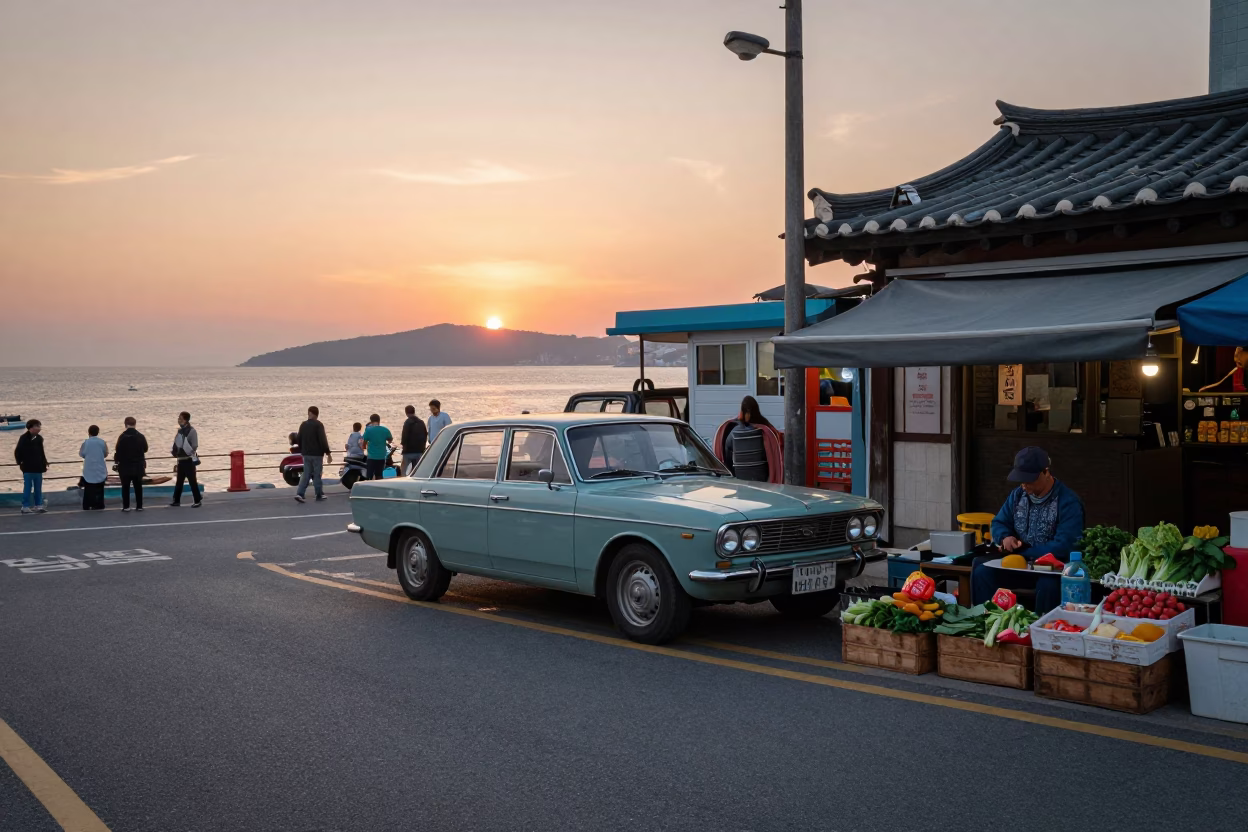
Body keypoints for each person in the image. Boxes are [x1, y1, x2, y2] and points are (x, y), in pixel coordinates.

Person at [971, 446, 1085, 613]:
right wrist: (1005, 538)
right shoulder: (1017, 495)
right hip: (1019, 565)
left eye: (1030, 480)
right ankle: (985, 623)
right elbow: (999, 522)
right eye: (1021, 480)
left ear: (1046, 472)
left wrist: (1026, 552)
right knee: (982, 571)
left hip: (1052, 570)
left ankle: (1041, 631)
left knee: (1049, 586)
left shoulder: (1068, 502)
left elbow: (1065, 545)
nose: (1024, 485)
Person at [713, 397, 783, 483]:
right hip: (757, 479)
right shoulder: (765, 428)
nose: (748, 415)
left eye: (749, 412)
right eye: (746, 412)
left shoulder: (734, 431)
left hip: (748, 478)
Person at [294, 406, 332, 503]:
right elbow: (323, 439)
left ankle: (300, 493)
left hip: (306, 454)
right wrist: (328, 453)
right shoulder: (318, 425)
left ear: (309, 413)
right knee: (317, 474)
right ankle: (319, 494)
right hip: (317, 454)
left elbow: (298, 439)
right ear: (317, 414)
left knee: (306, 474)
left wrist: (303, 449)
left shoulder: (303, 425)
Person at [115, 416, 148, 512]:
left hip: (125, 466)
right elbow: (145, 449)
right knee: (138, 486)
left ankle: (126, 507)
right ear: (135, 424)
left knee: (125, 487)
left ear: (125, 424)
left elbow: (118, 451)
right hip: (138, 465)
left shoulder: (122, 437)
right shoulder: (140, 436)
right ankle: (139, 506)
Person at [14, 419, 48, 514]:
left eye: (39, 426)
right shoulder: (23, 438)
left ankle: (38, 505)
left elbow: (41, 452)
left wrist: (44, 462)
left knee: (38, 488)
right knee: (28, 488)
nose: (39, 428)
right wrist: (20, 462)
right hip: (28, 467)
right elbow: (17, 452)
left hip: (38, 467)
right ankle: (25, 506)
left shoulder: (39, 438)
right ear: (31, 428)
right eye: (37, 426)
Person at [169, 411, 201, 507]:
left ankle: (197, 500)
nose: (179, 420)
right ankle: (176, 500)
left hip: (188, 459)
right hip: (181, 459)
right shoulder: (179, 431)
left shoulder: (192, 431)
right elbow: (176, 443)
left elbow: (195, 445)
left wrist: (188, 450)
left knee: (192, 481)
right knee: (179, 481)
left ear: (186, 420)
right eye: (179, 418)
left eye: (181, 419)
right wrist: (175, 451)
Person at [79, 425, 109, 510]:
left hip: (89, 467)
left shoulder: (86, 443)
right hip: (100, 466)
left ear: (89, 432)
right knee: (100, 486)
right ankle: (99, 504)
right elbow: (106, 453)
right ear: (98, 432)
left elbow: (81, 454)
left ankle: (88, 504)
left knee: (88, 487)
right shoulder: (102, 442)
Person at [359, 414, 393, 480]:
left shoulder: (368, 430)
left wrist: (364, 447)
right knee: (379, 475)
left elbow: (364, 443)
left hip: (371, 457)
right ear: (379, 420)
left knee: (369, 475)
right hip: (381, 456)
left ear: (371, 421)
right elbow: (390, 439)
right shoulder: (385, 430)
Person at [400, 405, 428, 476]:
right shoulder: (421, 422)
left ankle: (403, 481)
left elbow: (404, 435)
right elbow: (425, 434)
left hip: (408, 451)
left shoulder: (407, 422)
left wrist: (403, 445)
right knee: (416, 469)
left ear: (406, 412)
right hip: (419, 450)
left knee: (404, 469)